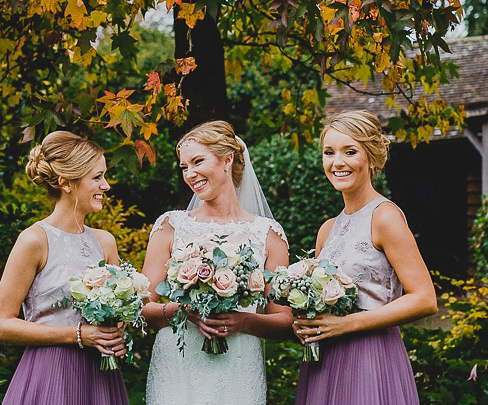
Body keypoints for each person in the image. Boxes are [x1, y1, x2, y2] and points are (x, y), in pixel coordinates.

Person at [292, 110, 438, 405]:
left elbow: (424, 298)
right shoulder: (327, 230)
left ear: (370, 157)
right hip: (325, 359)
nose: (337, 162)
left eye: (349, 151)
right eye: (329, 152)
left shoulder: (385, 217)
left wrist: (348, 324)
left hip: (370, 356)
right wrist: (304, 321)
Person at [142, 121, 291, 405]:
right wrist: (182, 310)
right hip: (178, 367)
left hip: (238, 368)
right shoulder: (170, 225)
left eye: (198, 161)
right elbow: (143, 308)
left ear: (228, 159)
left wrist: (243, 320)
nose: (190, 174)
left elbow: (284, 321)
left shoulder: (268, 234)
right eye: (184, 167)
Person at [0, 131, 129, 405]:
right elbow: (0, 325)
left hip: (100, 377)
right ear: (66, 183)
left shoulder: (105, 242)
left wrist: (118, 333)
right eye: (97, 177)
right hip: (50, 372)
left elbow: (122, 311)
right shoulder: (34, 240)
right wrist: (77, 335)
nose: (106, 185)